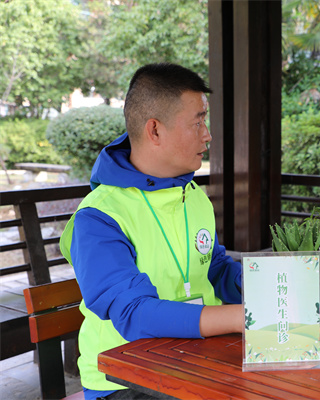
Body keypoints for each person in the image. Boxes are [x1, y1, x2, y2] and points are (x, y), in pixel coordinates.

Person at [60, 63, 244, 400]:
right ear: (155, 131)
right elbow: (133, 313)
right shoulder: (99, 217)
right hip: (123, 381)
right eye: (198, 122)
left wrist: (266, 283)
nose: (207, 135)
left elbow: (213, 267)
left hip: (195, 360)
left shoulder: (193, 195)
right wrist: (240, 317)